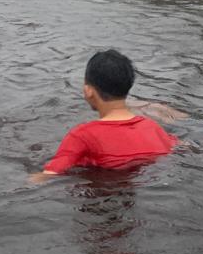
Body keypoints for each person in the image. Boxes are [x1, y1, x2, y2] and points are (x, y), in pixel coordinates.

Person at [43, 50, 177, 175]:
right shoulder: (154, 128)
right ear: (128, 85)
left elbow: (50, 175)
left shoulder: (82, 136)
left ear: (88, 90)